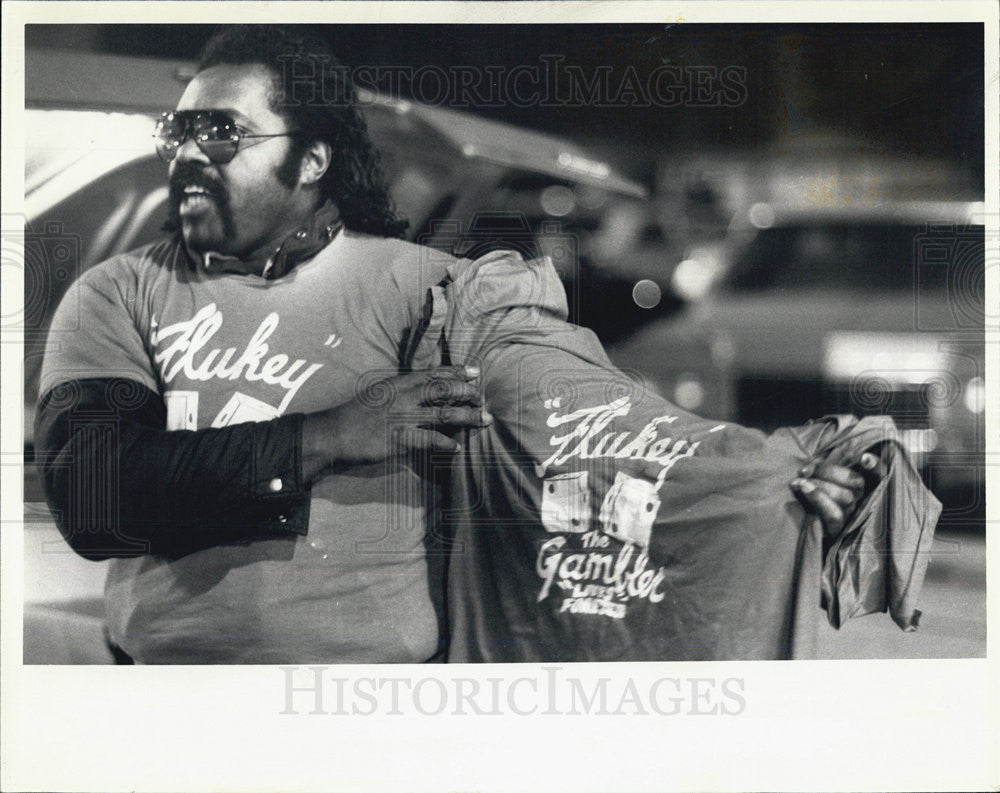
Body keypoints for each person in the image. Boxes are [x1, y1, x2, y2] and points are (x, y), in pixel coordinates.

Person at [36, 25, 867, 664]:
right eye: (174, 134)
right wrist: (324, 437)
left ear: (314, 156)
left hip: (375, 718)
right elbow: (94, 494)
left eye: (219, 133)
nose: (186, 154)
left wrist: (766, 475)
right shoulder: (116, 293)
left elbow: (589, 423)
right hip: (168, 709)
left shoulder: (435, 291)